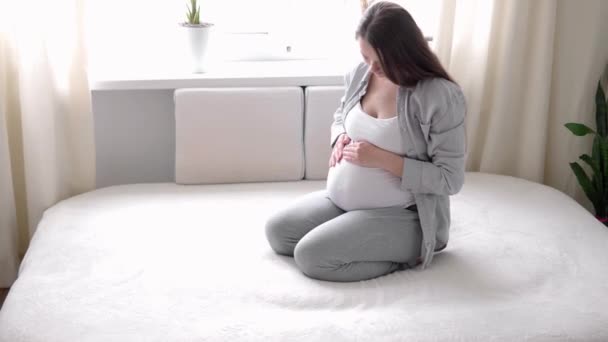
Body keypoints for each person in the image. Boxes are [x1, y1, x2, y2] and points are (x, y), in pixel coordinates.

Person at [265, 1, 466, 282]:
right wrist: (339, 138)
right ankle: (353, 229)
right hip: (342, 201)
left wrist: (381, 159)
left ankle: (408, 255)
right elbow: (341, 115)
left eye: (380, 61)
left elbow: (450, 179)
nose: (372, 68)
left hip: (404, 215)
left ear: (404, 51)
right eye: (365, 57)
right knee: (278, 232)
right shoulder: (360, 74)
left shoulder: (439, 97)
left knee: (312, 257)